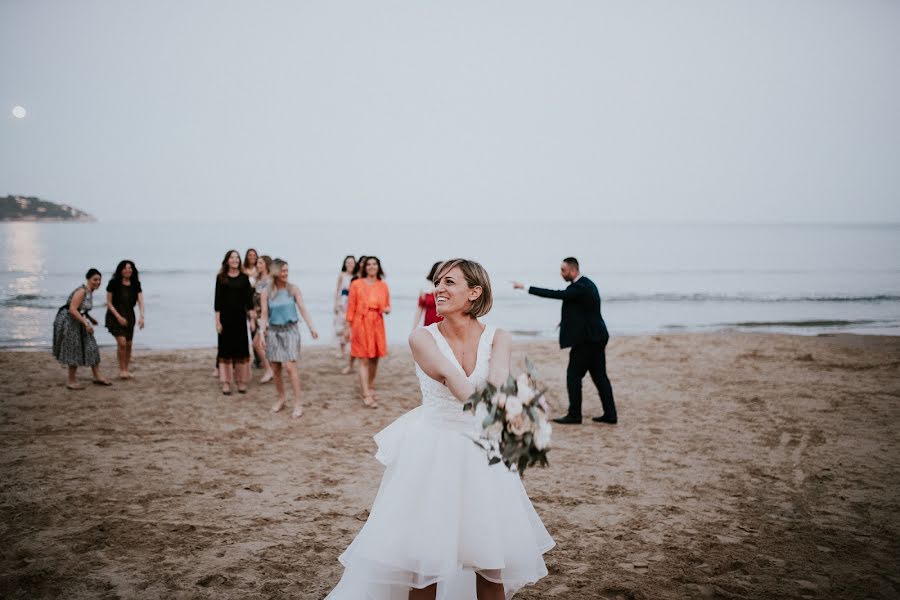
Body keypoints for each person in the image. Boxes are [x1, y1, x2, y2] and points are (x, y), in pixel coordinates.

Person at [325, 259, 554, 600]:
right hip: (431, 452)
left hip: (481, 454)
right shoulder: (422, 337)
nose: (439, 289)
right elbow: (452, 379)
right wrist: (506, 408)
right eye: (437, 282)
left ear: (474, 292)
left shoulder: (499, 337)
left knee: (491, 564)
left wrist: (515, 410)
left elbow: (496, 380)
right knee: (424, 565)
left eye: (449, 283)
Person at [513, 257, 616, 425]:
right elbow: (584, 310)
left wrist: (525, 287)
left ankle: (575, 415)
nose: (561, 274)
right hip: (596, 337)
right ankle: (610, 414)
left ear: (574, 270)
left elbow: (556, 294)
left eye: (564, 270)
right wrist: (565, 322)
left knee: (573, 376)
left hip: (589, 340)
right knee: (599, 376)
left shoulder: (580, 287)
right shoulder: (585, 285)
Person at [259, 259, 319, 418]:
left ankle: (298, 403)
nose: (286, 273)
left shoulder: (293, 289)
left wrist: (311, 327)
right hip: (273, 331)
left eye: (287, 270)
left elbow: (302, 309)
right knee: (276, 368)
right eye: (283, 271)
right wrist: (261, 333)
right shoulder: (266, 291)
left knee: (289, 367)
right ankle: (281, 398)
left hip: (291, 330)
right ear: (275, 272)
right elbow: (264, 314)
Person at [53, 268, 112, 389]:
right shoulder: (82, 291)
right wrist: (86, 323)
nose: (98, 282)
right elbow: (72, 309)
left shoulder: (90, 292)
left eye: (100, 280)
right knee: (74, 349)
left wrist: (90, 318)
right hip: (68, 321)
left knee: (92, 347)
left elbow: (82, 309)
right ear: (88, 279)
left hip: (79, 320)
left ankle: (97, 376)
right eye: (95, 279)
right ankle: (71, 381)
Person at [346, 256, 390, 408]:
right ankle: (365, 393)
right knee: (363, 359)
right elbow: (350, 307)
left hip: (377, 323)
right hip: (361, 323)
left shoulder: (382, 285)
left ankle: (370, 385)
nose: (372, 266)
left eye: (375, 264)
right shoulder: (356, 284)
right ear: (364, 267)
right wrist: (348, 328)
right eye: (369, 264)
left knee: (375, 358)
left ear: (378, 267)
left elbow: (387, 305)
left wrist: (387, 309)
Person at [215, 249, 255, 395]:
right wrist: (217, 322)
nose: (235, 260)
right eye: (232, 258)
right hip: (225, 320)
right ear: (227, 260)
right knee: (225, 351)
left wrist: (252, 320)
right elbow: (217, 303)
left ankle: (241, 382)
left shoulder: (244, 278)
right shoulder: (221, 278)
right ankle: (226, 382)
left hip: (240, 320)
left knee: (241, 350)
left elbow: (249, 302)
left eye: (237, 258)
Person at [104, 260, 145, 379]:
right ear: (120, 270)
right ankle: (121, 370)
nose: (128, 270)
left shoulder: (135, 283)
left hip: (129, 316)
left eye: (130, 268)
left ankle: (126, 369)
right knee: (121, 343)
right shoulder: (113, 283)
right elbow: (109, 303)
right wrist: (118, 317)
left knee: (128, 344)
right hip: (114, 315)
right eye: (125, 268)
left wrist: (142, 317)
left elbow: (141, 302)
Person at [251, 255, 274, 384]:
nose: (257, 265)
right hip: (259, 317)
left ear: (266, 265)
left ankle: (270, 370)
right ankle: (271, 369)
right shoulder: (258, 280)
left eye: (260, 263)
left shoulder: (270, 280)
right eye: (257, 263)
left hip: (268, 317)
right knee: (261, 345)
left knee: (258, 344)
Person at [333, 255, 356, 362]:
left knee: (351, 326)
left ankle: (351, 349)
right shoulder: (342, 275)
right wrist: (336, 304)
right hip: (343, 302)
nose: (350, 264)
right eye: (348, 262)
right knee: (340, 326)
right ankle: (341, 350)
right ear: (345, 264)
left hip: (353, 302)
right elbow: (337, 290)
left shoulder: (357, 276)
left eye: (352, 262)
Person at [412, 261, 444, 330]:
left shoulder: (446, 289)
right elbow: (419, 311)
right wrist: (414, 328)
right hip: (429, 326)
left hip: (445, 327)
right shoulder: (425, 289)